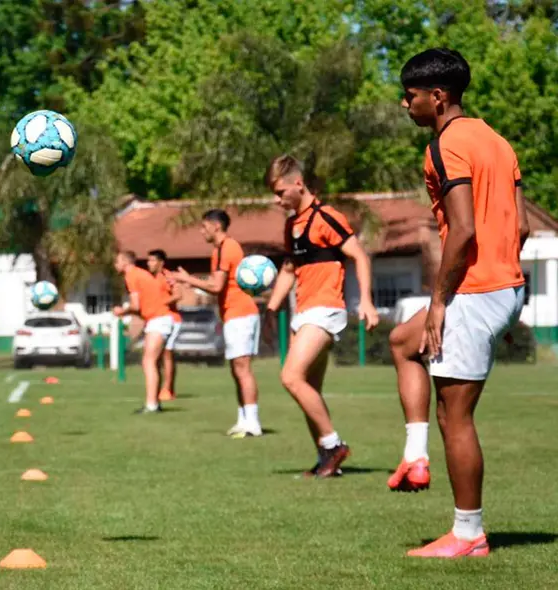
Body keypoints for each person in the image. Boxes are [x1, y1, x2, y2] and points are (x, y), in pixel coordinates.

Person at [393, 48, 528, 558]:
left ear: (437, 96)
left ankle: (468, 534)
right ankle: (414, 455)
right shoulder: (497, 141)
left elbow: (464, 229)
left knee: (456, 416)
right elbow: (522, 226)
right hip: (502, 287)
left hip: (473, 292)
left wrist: (440, 301)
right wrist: (505, 296)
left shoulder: (444, 146)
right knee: (403, 342)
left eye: (409, 96)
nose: (405, 104)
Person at [263, 155, 379, 478]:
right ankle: (326, 460)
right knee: (308, 388)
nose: (277, 200)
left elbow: (359, 256)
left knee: (291, 377)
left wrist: (366, 301)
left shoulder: (326, 217)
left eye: (280, 192)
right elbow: (290, 268)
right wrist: (271, 307)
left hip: (325, 309)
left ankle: (334, 444)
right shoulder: (291, 226)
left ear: (298, 184)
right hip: (304, 311)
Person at [172, 210, 264, 438]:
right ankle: (243, 419)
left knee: (242, 368)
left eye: (204, 226)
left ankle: (253, 422)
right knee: (236, 369)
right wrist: (193, 281)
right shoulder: (219, 250)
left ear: (216, 226)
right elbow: (216, 283)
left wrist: (187, 279)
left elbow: (216, 286)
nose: (201, 231)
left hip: (241, 313)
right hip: (233, 314)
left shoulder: (228, 247)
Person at [113, 251, 175, 414]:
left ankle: (151, 405)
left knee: (148, 361)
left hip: (159, 319)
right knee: (153, 362)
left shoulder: (131, 275)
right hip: (158, 319)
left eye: (117, 261)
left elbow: (135, 306)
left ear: (125, 262)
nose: (115, 265)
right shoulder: (141, 274)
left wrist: (121, 311)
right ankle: (155, 403)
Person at [146, 250, 182, 401]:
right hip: (159, 319)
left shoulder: (168, 276)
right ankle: (162, 388)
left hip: (172, 319)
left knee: (167, 353)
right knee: (158, 356)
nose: (149, 263)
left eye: (152, 260)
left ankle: (168, 389)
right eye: (148, 260)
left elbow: (178, 295)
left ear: (161, 262)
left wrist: (161, 302)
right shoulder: (151, 278)